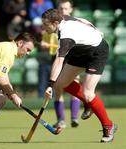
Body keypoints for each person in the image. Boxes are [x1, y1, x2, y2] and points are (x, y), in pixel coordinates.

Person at [42, 8, 117, 143]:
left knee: (88, 93)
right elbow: (83, 21)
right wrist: (94, 29)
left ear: (54, 23)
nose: (43, 27)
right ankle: (88, 103)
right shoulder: (63, 18)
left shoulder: (66, 38)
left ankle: (108, 126)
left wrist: (49, 85)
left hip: (96, 52)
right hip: (80, 51)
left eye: (45, 24)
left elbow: (59, 61)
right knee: (61, 84)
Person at [52, 0, 81, 128]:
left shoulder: (77, 24)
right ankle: (62, 121)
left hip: (73, 60)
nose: (63, 11)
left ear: (71, 9)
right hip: (59, 59)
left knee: (74, 86)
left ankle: (74, 117)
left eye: (66, 8)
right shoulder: (56, 25)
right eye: (61, 9)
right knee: (58, 89)